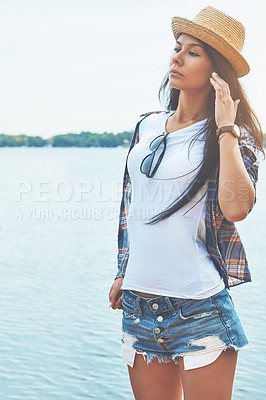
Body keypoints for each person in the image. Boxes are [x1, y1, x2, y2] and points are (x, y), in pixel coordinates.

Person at [109, 6, 264, 400]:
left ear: (217, 71)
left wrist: (226, 126)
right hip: (138, 307)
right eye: (177, 47)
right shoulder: (146, 125)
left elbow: (237, 209)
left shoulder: (230, 136)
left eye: (193, 52)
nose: (176, 58)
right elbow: (134, 209)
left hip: (199, 309)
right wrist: (123, 270)